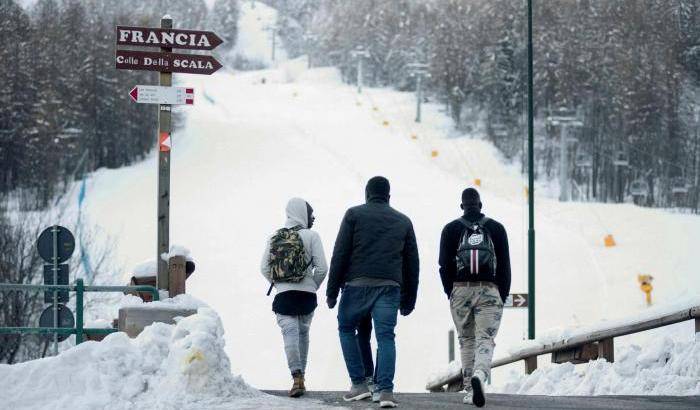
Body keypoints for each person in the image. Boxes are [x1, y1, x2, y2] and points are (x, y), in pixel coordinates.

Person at [326, 176, 420, 408]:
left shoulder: (354, 214)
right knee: (386, 336)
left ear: (367, 194)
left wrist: (331, 291)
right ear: (388, 195)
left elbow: (340, 253)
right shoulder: (403, 221)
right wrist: (410, 299)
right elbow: (412, 264)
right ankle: (385, 391)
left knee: (346, 328)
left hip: (357, 285)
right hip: (390, 287)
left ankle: (359, 385)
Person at [438, 188, 510, 407]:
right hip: (489, 289)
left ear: (462, 206)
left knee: (466, 339)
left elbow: (443, 266)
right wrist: (501, 294)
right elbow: (505, 266)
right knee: (485, 339)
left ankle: (470, 389)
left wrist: (451, 292)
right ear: (480, 205)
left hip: (460, 290)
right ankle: (480, 373)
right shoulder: (496, 228)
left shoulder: (450, 229)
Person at [261, 197, 328, 398]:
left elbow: (264, 268)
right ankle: (302, 377)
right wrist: (311, 286)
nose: (313, 218)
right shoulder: (312, 236)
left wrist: (281, 283)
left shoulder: (274, 237)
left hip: (283, 295)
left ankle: (296, 376)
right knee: (303, 333)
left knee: (289, 333)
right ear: (302, 213)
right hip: (307, 295)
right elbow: (322, 268)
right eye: (311, 213)